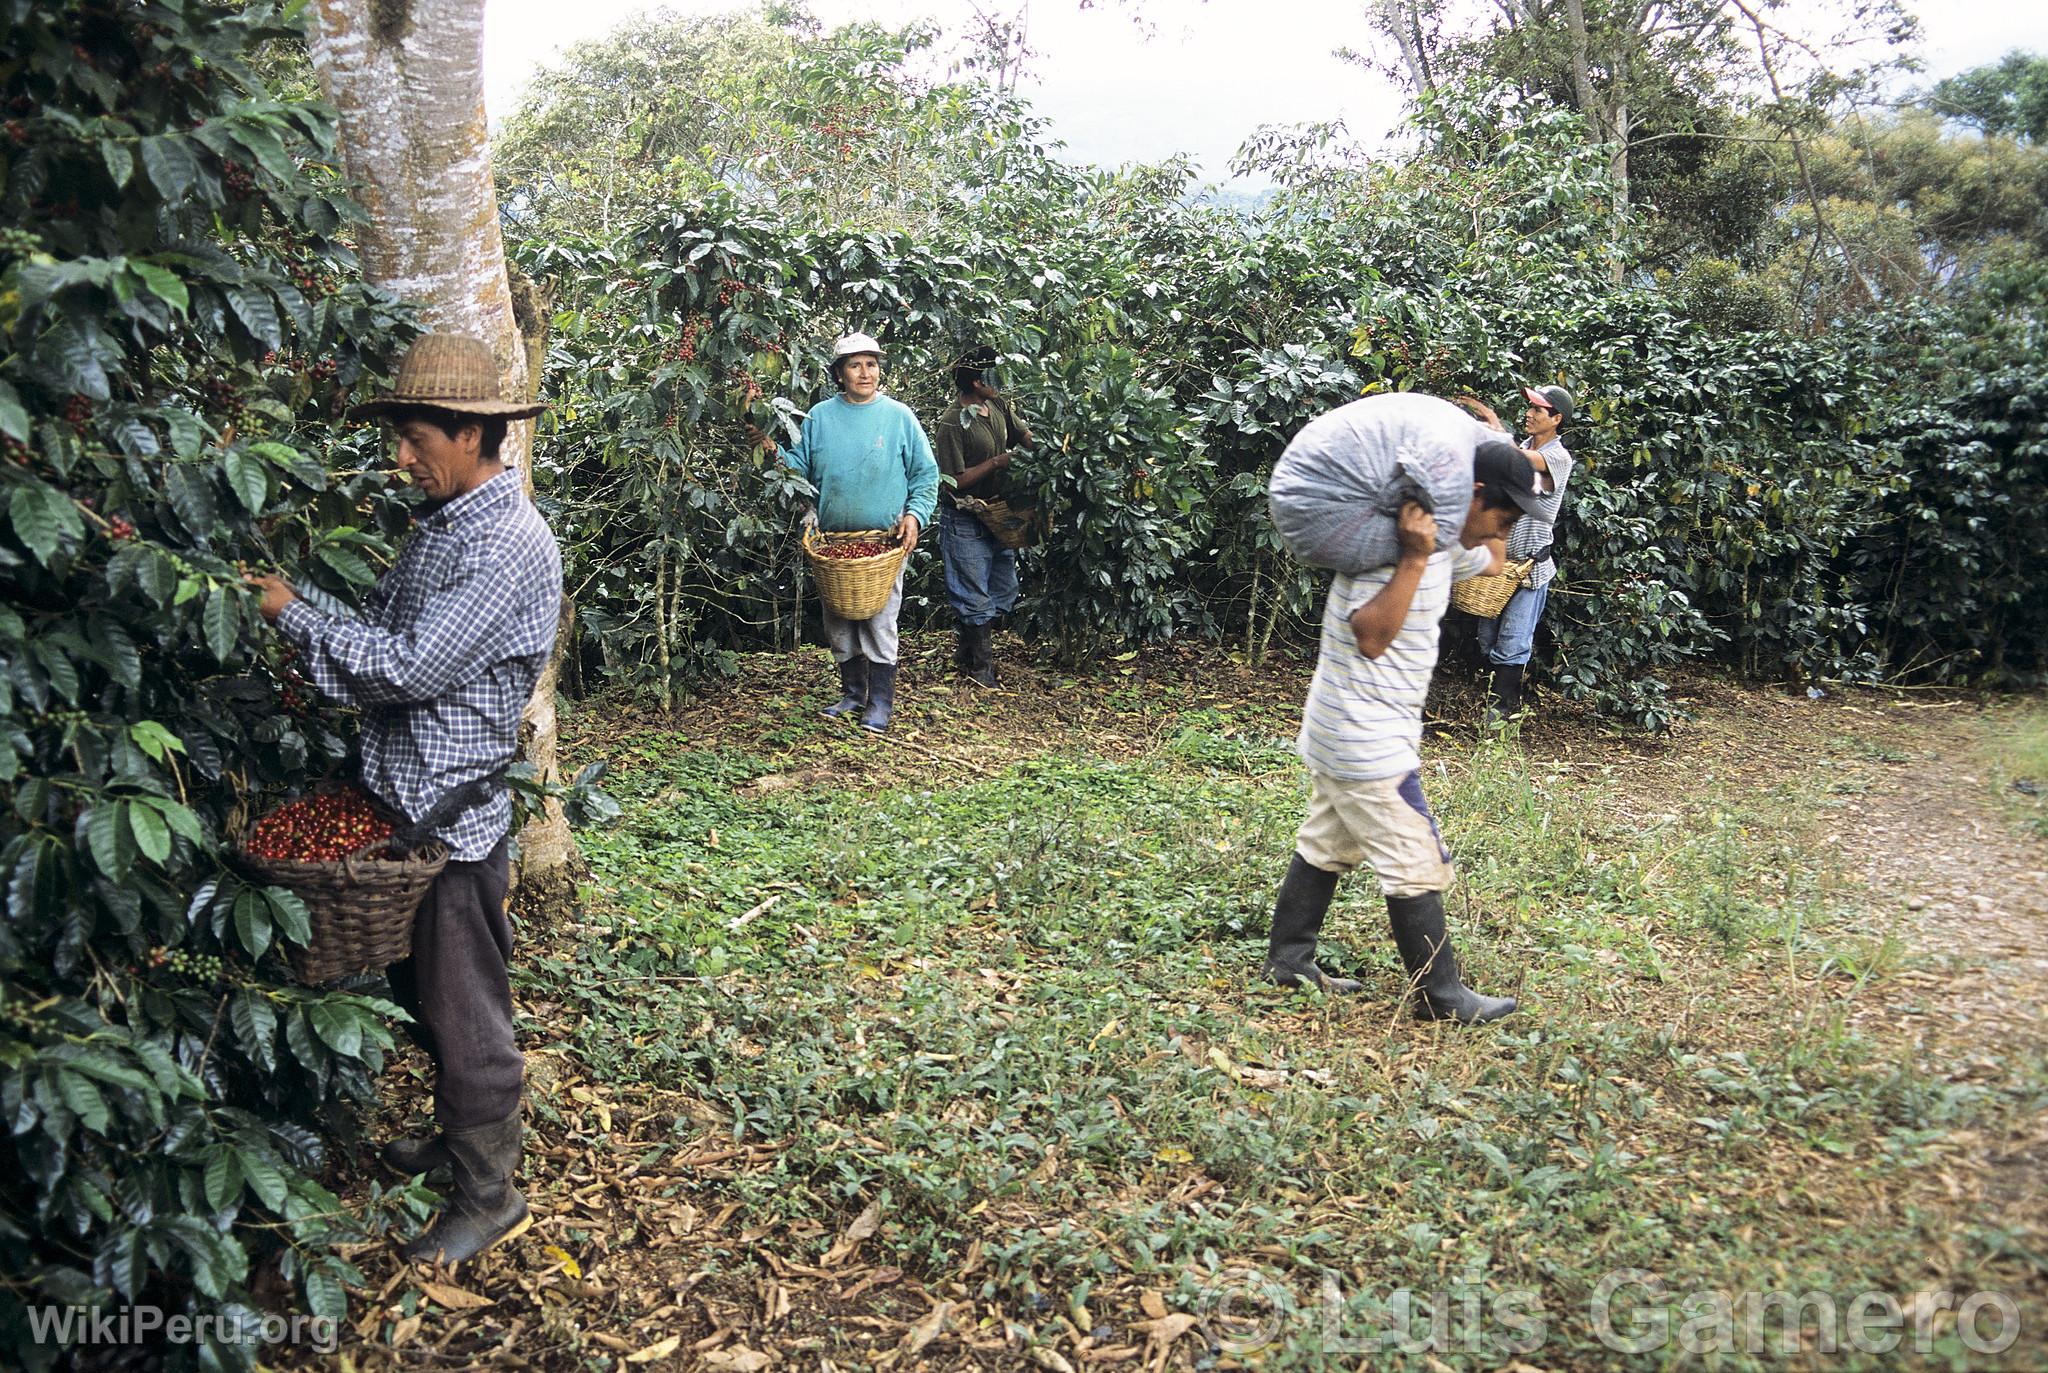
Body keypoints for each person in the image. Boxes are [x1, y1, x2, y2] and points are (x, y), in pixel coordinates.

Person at [245, 333, 562, 1263]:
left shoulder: (503, 542)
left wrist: (290, 614)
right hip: (406, 812)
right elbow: (386, 632)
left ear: (471, 432)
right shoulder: (449, 528)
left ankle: (489, 1191)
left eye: (418, 437)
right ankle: (458, 1138)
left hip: (450, 826)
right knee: (424, 995)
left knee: (467, 1014)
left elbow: (410, 664)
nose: (403, 458)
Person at [1264, 442, 1546, 1024]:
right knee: (1415, 856)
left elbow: (1493, 563)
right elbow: (1370, 634)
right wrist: (1415, 558)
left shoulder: (1444, 546)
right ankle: (1442, 997)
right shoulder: (1396, 549)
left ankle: (1289, 961)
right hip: (1364, 738)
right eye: (1504, 515)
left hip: (1350, 729)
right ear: (1471, 498)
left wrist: (1493, 447)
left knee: (1328, 842)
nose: (1507, 529)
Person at [769, 332, 939, 732]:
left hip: (884, 543)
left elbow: (925, 474)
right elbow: (796, 470)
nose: (865, 373)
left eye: (872, 364)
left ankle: (880, 702)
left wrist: (914, 516)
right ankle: (853, 692)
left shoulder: (899, 417)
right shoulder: (820, 417)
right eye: (855, 365)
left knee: (880, 620)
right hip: (832, 544)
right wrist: (768, 449)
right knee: (839, 621)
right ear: (840, 373)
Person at [1460, 386, 1576, 719]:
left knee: (1514, 638)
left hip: (1529, 568)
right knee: (1487, 636)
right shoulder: (1521, 446)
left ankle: (1504, 707)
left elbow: (1516, 461)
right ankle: (1492, 696)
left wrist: (1490, 432)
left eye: (1539, 410)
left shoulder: (1557, 457)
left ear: (1556, 419)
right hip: (1500, 565)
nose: (1530, 413)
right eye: (1530, 408)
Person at [933, 345, 1033, 688]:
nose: (999, 382)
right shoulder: (952, 423)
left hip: (998, 512)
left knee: (1005, 589)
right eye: (993, 376)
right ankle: (981, 668)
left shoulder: (997, 404)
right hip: (965, 516)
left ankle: (965, 650)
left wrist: (1056, 448)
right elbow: (952, 482)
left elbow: (1023, 435)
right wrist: (995, 463)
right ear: (976, 382)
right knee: (973, 592)